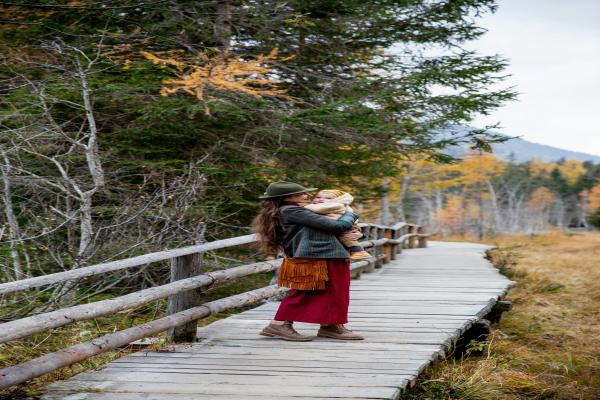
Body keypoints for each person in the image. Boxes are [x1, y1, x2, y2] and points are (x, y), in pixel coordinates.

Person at [251, 181, 365, 341]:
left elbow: (330, 226)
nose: (307, 196)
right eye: (301, 194)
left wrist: (357, 234)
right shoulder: (292, 210)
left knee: (336, 292)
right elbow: (337, 226)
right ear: (287, 198)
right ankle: (279, 324)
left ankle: (331, 325)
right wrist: (351, 212)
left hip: (327, 254)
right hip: (317, 256)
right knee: (304, 292)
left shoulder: (302, 210)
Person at [305, 189, 371, 260]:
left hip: (337, 242)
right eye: (318, 197)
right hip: (325, 246)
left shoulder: (334, 206)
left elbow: (317, 210)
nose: (321, 199)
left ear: (338, 199)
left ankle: (359, 251)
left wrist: (359, 233)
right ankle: (358, 251)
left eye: (328, 198)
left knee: (346, 237)